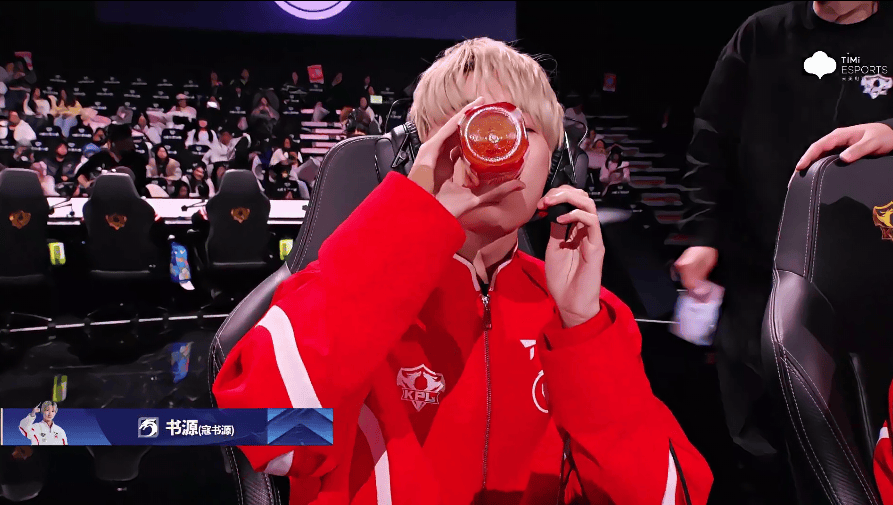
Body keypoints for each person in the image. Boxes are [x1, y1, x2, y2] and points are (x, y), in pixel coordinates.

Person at [213, 37, 712, 505]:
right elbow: (268, 437)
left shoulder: (588, 318)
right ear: (418, 157)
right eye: (466, 128)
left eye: (520, 130)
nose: (493, 150)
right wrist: (406, 224)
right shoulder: (342, 289)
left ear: (558, 163)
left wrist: (580, 328)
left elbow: (663, 495)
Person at [673, 2, 893, 504]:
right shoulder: (760, 35)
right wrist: (702, 233)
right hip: (761, 275)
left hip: (874, 286)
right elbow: (710, 139)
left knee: (860, 446)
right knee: (756, 440)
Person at [75, 124, 147, 194]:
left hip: (128, 197)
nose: (127, 142)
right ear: (110, 143)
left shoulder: (138, 160)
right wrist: (87, 184)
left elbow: (139, 186)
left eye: (128, 138)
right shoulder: (99, 158)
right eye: (121, 140)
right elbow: (80, 174)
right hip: (102, 197)